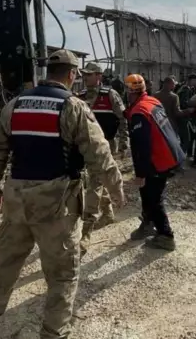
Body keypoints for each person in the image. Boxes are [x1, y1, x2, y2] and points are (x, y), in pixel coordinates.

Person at [0, 50, 124, 339]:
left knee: (3, 270)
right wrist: (116, 189)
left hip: (16, 203)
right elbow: (99, 154)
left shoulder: (14, 105)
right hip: (56, 207)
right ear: (71, 74)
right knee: (63, 276)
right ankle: (54, 334)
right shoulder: (74, 107)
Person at [123, 74, 185, 251]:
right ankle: (148, 223)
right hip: (171, 153)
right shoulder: (152, 101)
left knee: (153, 197)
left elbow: (141, 148)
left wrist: (140, 174)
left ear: (128, 92)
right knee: (147, 193)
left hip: (158, 160)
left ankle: (166, 235)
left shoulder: (138, 113)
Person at [76, 61, 129, 255]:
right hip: (85, 149)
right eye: (84, 74)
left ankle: (85, 233)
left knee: (94, 185)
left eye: (89, 74)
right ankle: (107, 213)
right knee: (96, 181)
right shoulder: (79, 97)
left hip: (106, 147)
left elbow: (124, 119)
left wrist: (124, 143)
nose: (85, 77)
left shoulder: (110, 95)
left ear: (98, 76)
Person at [176, 74, 196, 159]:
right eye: (195, 80)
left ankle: (186, 155)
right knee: (186, 139)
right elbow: (184, 103)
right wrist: (191, 107)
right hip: (184, 117)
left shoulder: (185, 88)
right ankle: (179, 159)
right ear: (190, 80)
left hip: (184, 116)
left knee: (187, 137)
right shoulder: (186, 90)